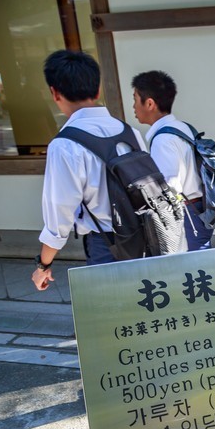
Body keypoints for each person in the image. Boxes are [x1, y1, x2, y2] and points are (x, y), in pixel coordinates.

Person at [32, 50, 148, 291]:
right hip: (145, 236)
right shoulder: (129, 132)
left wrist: (43, 265)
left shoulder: (65, 145)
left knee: (112, 316)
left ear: (54, 92)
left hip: (105, 244)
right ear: (97, 91)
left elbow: (59, 215)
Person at [131, 70, 211, 251]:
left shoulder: (163, 140)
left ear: (149, 103)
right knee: (201, 266)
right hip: (200, 207)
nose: (134, 106)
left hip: (186, 215)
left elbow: (169, 187)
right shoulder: (183, 127)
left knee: (190, 270)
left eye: (135, 99)